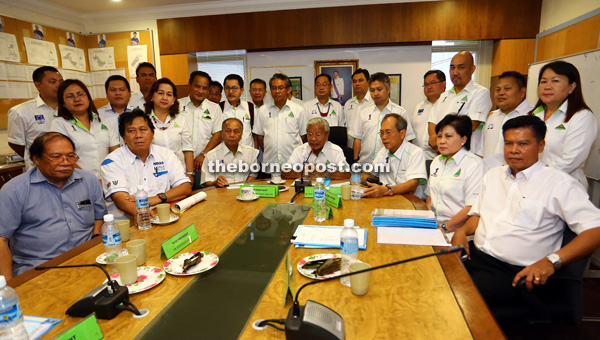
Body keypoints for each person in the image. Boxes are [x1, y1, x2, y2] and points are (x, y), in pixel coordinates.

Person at [451, 115, 600, 319]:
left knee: (451, 296)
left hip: (517, 273)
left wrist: (551, 261)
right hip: (478, 258)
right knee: (431, 275)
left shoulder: (559, 184)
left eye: (523, 143)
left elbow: (595, 229)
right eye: (509, 143)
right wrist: (461, 231)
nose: (514, 150)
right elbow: (480, 216)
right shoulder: (493, 176)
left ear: (541, 146)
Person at [0, 132, 107, 279]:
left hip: (88, 262)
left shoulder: (89, 181)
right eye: (56, 157)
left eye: (70, 156)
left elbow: (100, 217)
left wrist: (94, 244)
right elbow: (2, 239)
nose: (66, 162)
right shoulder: (14, 190)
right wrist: (8, 289)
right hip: (39, 269)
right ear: (36, 159)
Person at [101, 109, 192, 219]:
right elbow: (120, 199)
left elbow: (185, 187)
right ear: (123, 138)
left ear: (153, 134)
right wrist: (141, 213)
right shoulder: (112, 161)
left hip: (163, 217)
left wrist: (155, 199)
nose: (138, 135)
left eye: (143, 129)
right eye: (131, 131)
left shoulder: (166, 154)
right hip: (129, 222)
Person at [530, 61, 596, 190]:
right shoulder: (533, 115)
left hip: (564, 188)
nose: (547, 86)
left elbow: (570, 160)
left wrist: (535, 174)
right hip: (533, 185)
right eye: (543, 81)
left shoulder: (582, 116)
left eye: (555, 81)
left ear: (571, 87)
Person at [50, 79, 119, 179]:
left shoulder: (103, 121)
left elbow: (115, 153)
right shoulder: (59, 124)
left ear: (88, 98)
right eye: (70, 96)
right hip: (76, 181)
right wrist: (90, 181)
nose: (77, 99)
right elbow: (63, 158)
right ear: (63, 102)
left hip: (107, 179)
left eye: (80, 94)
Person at [428, 51, 492, 156]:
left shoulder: (480, 93)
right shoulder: (444, 95)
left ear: (472, 69)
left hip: (466, 156)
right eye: (452, 68)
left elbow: (472, 125)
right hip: (442, 156)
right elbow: (432, 122)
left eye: (460, 68)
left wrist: (442, 140)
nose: (455, 72)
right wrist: (437, 141)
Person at [426, 114, 482, 231]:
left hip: (459, 231)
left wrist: (445, 227)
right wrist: (428, 222)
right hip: (434, 226)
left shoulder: (474, 164)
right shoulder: (437, 161)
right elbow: (430, 196)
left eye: (448, 136)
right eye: (440, 136)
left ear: (463, 139)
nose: (442, 141)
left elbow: (471, 207)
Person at [349, 72, 415, 166]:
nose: (375, 93)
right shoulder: (363, 112)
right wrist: (355, 160)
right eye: (372, 90)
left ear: (388, 89)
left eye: (379, 89)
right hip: (366, 163)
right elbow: (357, 138)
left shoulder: (400, 112)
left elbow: (408, 139)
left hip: (392, 165)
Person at [7, 66, 63, 170]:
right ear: (38, 85)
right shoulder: (21, 111)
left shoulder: (69, 108)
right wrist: (38, 157)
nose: (58, 85)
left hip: (69, 170)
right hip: (39, 172)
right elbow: (16, 144)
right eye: (53, 82)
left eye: (61, 81)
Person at [253, 73, 307, 176]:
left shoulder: (299, 109)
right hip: (270, 164)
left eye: (281, 88)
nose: (277, 91)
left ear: (288, 89)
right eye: (274, 88)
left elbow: (303, 136)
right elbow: (260, 136)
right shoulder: (262, 110)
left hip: (292, 164)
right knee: (270, 191)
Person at [362, 114, 427, 198]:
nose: (384, 137)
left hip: (409, 201)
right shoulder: (383, 152)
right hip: (387, 199)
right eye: (381, 133)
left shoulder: (415, 153)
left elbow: (412, 185)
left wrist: (386, 190)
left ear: (402, 134)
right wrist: (359, 177)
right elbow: (372, 174)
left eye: (388, 132)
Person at [179, 71, 224, 189]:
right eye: (197, 86)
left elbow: (218, 134)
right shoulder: (176, 105)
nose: (200, 91)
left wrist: (203, 154)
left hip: (202, 164)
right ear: (189, 85)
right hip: (179, 163)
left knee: (203, 197)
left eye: (204, 88)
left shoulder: (214, 108)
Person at [143, 78, 194, 180]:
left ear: (174, 100)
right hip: (153, 174)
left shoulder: (181, 120)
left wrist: (190, 173)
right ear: (152, 96)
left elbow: (187, 148)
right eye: (160, 93)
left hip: (179, 173)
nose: (165, 98)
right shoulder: (143, 120)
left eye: (169, 94)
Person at [481, 71, 532, 169]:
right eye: (498, 89)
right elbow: (482, 151)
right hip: (489, 177)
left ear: (522, 92)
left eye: (507, 89)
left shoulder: (533, 116)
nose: (501, 93)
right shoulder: (491, 116)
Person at [284, 117, 349, 179]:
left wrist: (326, 173)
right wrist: (302, 172)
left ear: (327, 135)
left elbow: (347, 173)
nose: (313, 139)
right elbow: (285, 173)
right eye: (310, 134)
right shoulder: (299, 150)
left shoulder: (336, 151)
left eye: (318, 135)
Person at [201, 118, 259, 187]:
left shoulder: (251, 153)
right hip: (221, 194)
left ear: (241, 134)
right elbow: (207, 182)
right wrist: (215, 182)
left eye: (236, 131)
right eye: (228, 131)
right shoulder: (211, 155)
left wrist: (245, 188)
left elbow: (252, 175)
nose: (232, 135)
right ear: (222, 134)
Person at [409, 70, 446, 161]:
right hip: (418, 159)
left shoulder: (448, 105)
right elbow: (412, 133)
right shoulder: (419, 107)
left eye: (433, 83)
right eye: (426, 84)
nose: (429, 87)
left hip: (439, 158)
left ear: (444, 84)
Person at [220, 74, 256, 148]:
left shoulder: (250, 107)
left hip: (247, 155)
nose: (230, 91)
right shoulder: (219, 108)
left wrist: (254, 152)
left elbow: (256, 133)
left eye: (234, 88)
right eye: (227, 88)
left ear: (242, 90)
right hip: (225, 155)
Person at [98, 75, 133, 145]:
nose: (118, 93)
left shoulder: (138, 114)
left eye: (122, 89)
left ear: (129, 93)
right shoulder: (97, 115)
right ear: (106, 93)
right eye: (113, 90)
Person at [344, 69, 371, 148]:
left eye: (361, 80)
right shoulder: (348, 103)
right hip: (350, 148)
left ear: (368, 82)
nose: (357, 84)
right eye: (354, 81)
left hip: (368, 149)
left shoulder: (374, 102)